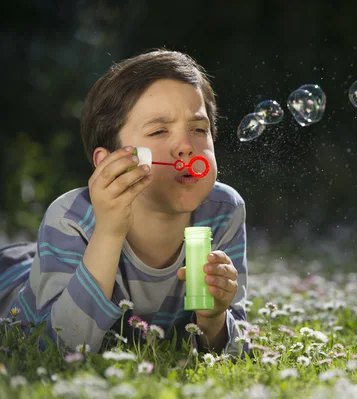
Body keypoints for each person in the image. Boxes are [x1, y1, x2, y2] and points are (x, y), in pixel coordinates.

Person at [0, 49, 248, 357]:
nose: (186, 147)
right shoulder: (71, 218)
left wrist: (214, 318)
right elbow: (57, 349)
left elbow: (233, 349)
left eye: (199, 129)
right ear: (109, 162)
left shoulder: (223, 210)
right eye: (159, 131)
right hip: (9, 285)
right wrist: (108, 231)